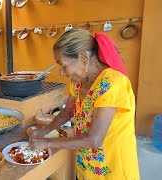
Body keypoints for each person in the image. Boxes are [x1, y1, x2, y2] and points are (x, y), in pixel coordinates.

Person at [29, 29, 140, 179]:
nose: (62, 72)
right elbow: (68, 111)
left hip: (111, 168)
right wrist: (45, 130)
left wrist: (47, 142)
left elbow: (94, 139)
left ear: (83, 57)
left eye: (62, 65)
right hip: (86, 166)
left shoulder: (112, 84)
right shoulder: (79, 82)